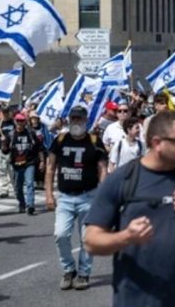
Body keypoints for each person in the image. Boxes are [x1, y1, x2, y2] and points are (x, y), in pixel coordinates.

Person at [84, 111, 175, 306]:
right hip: (135, 300)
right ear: (157, 143)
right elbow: (91, 241)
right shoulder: (122, 179)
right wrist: (126, 237)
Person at [45, 106, 108, 290]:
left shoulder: (95, 141)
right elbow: (50, 168)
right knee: (60, 234)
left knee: (87, 239)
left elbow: (103, 169)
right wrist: (49, 194)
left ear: (86, 120)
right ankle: (69, 269)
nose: (76, 121)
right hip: (65, 197)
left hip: (89, 196)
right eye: (73, 118)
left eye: (80, 118)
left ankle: (83, 274)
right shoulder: (60, 140)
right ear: (69, 120)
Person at [8, 112, 45, 214]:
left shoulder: (31, 133)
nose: (19, 123)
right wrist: (3, 142)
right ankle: (22, 204)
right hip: (16, 164)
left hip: (29, 162)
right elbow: (5, 150)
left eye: (21, 121)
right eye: (17, 121)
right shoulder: (11, 135)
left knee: (30, 183)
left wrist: (42, 161)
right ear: (15, 122)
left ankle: (30, 205)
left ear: (25, 122)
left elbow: (39, 148)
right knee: (18, 186)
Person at [0, 105, 15, 198]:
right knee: (1, 170)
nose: (5, 114)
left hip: (11, 150)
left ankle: (16, 187)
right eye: (3, 112)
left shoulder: (13, 122)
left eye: (6, 112)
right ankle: (4, 190)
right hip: (0, 149)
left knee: (12, 170)